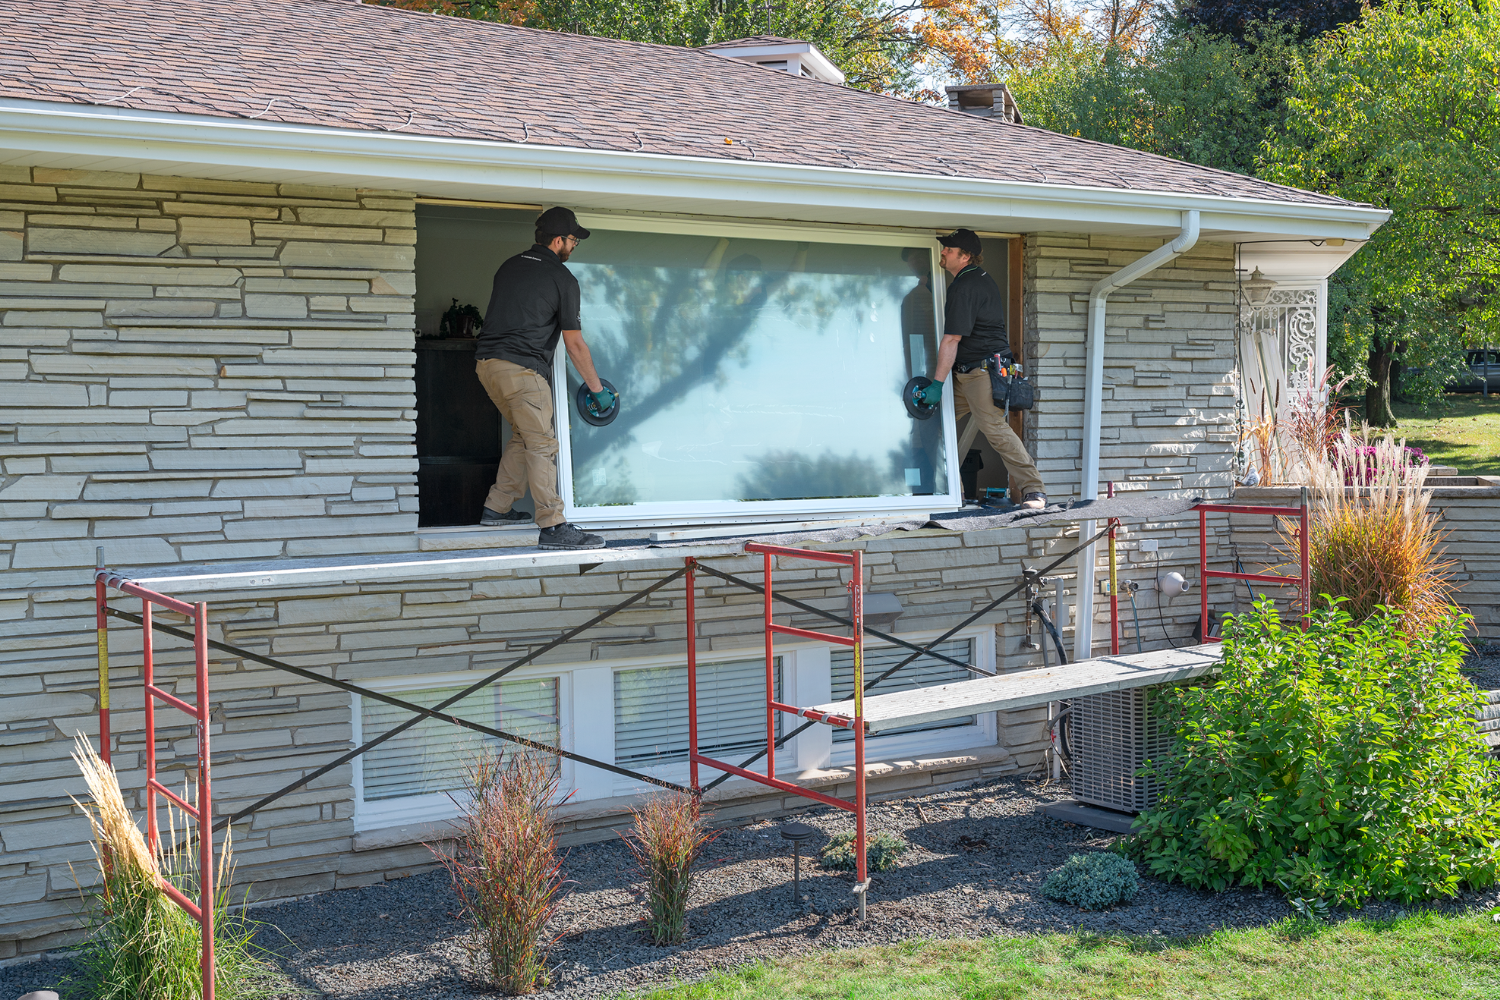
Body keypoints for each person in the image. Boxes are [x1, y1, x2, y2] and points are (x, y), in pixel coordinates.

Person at [474, 207, 614, 550]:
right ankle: (553, 526)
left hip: (487, 367)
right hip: (522, 371)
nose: (575, 246)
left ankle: (497, 507)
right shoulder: (563, 279)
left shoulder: (509, 266)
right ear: (558, 240)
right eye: (573, 240)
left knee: (525, 435)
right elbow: (575, 343)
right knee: (542, 444)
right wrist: (597, 390)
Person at [919, 228, 1047, 510]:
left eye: (949, 250)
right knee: (932, 426)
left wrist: (937, 385)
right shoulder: (971, 280)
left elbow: (952, 339)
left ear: (964, 256)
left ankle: (1034, 491)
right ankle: (954, 494)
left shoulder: (967, 286)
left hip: (981, 373)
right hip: (965, 373)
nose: (943, 252)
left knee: (994, 429)